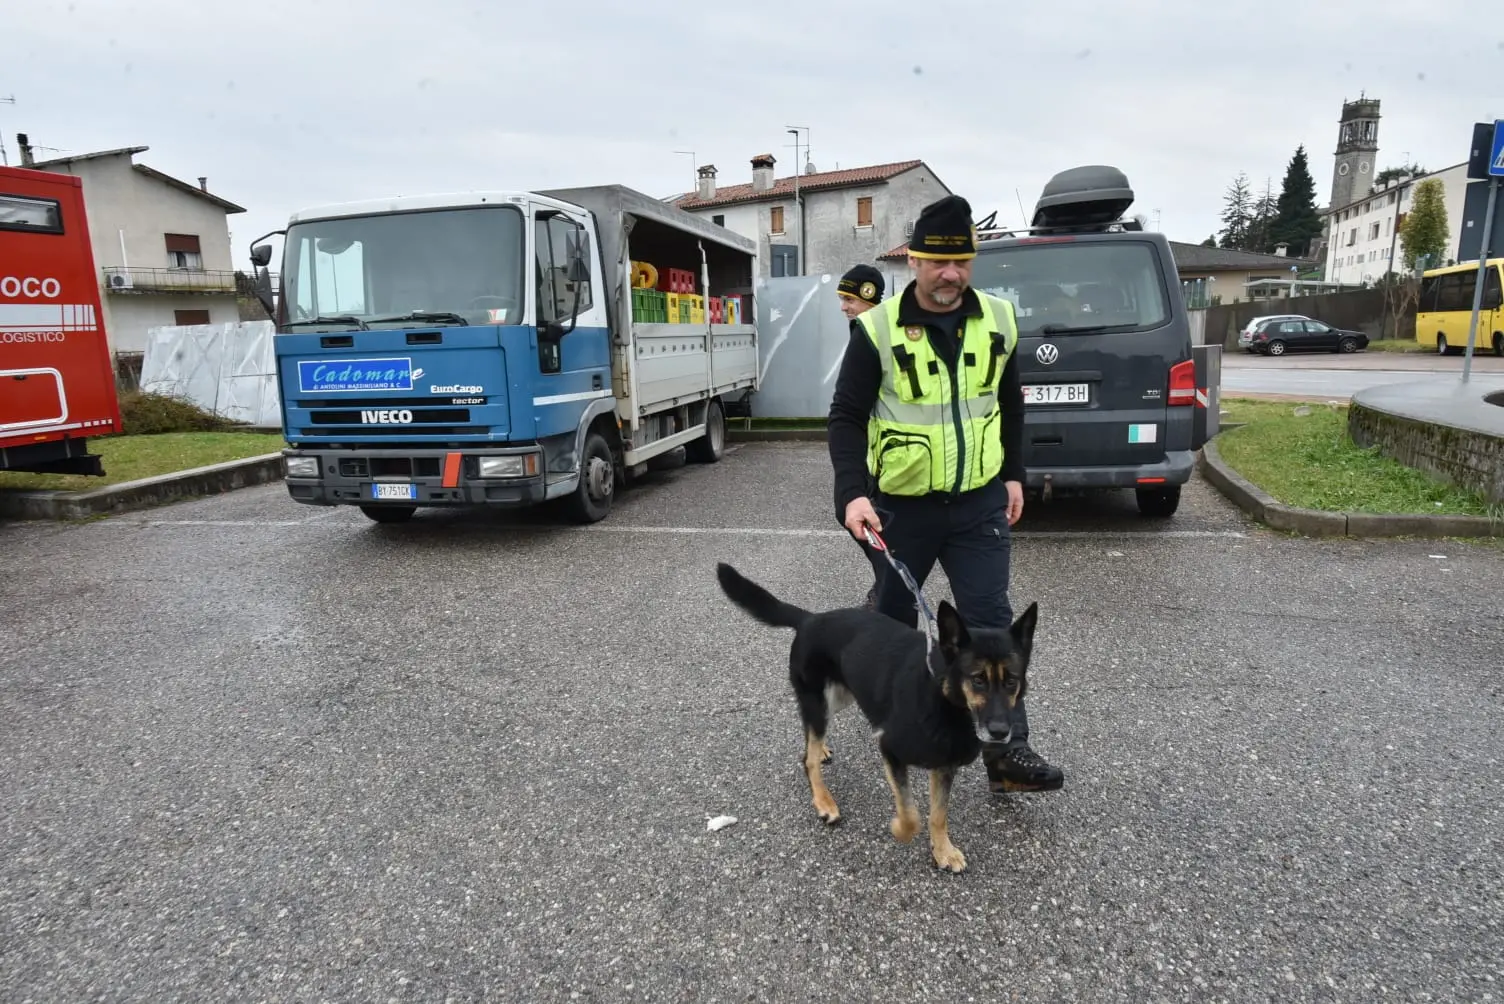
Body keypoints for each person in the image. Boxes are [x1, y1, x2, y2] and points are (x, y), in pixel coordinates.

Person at [826, 194, 1065, 795]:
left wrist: (1013, 473)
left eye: (961, 261)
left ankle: (1009, 758)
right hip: (899, 506)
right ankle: (903, 727)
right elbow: (846, 416)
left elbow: (1009, 404)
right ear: (914, 261)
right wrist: (851, 493)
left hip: (978, 502)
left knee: (991, 626)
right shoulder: (877, 329)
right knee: (896, 623)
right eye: (938, 262)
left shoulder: (1000, 320)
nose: (951, 274)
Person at [833, 264, 889, 608]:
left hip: (884, 450)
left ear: (868, 296)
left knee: (866, 516)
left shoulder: (877, 332)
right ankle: (886, 583)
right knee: (852, 510)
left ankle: (888, 587)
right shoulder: (863, 330)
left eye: (848, 298)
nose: (843, 306)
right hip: (870, 447)